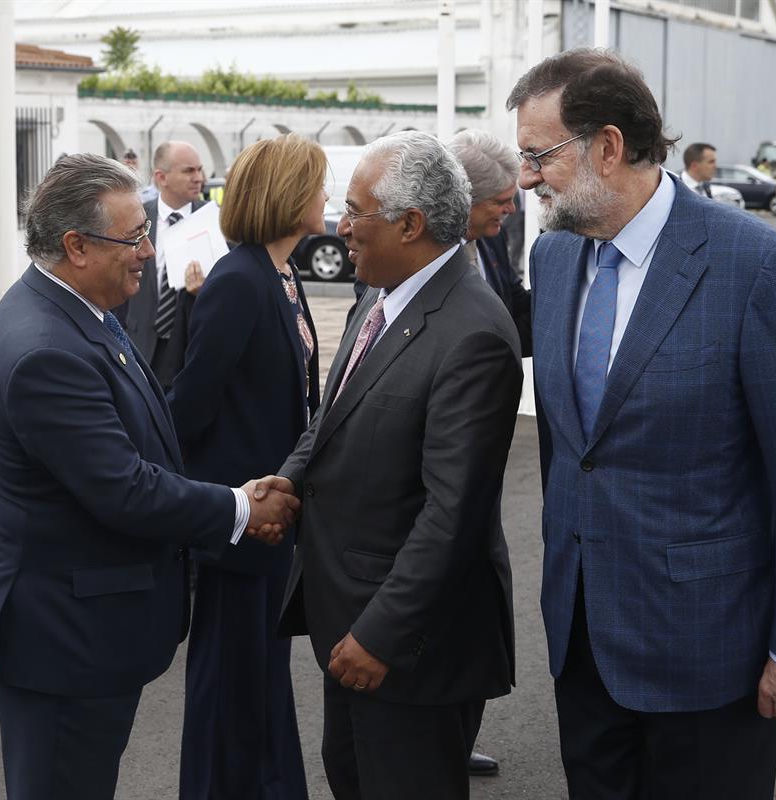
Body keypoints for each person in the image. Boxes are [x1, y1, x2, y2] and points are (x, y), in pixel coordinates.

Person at [508, 48, 776, 799]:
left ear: (607, 145)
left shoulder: (755, 267)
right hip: (583, 641)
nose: (527, 177)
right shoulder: (558, 256)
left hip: (710, 653)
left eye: (540, 156)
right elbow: (573, 451)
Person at [0, 153, 300, 800]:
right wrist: (239, 508)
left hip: (85, 629)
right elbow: (123, 487)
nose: (150, 252)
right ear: (76, 245)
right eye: (134, 237)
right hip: (64, 636)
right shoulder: (47, 349)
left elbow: (152, 439)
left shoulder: (80, 313)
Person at [258, 131, 523, 800]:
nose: (340, 227)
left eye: (355, 211)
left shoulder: (474, 335)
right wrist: (288, 478)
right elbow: (335, 413)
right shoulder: (379, 294)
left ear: (411, 225)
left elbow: (452, 512)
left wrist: (380, 635)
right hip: (350, 618)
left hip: (407, 645)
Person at [170, 133, 322, 800]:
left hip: (277, 519)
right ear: (289, 197)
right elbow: (187, 410)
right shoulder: (239, 280)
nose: (328, 197)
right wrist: (232, 504)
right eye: (316, 184)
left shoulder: (281, 273)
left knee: (262, 681)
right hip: (242, 525)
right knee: (229, 688)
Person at [114, 140, 206, 390]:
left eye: (200, 169)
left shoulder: (213, 221)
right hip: (139, 347)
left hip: (190, 352)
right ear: (161, 177)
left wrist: (203, 292)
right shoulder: (136, 218)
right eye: (189, 171)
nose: (198, 178)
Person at [450, 128, 533, 359]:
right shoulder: (423, 254)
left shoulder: (491, 237)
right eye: (501, 201)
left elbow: (513, 304)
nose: (512, 209)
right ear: (465, 200)